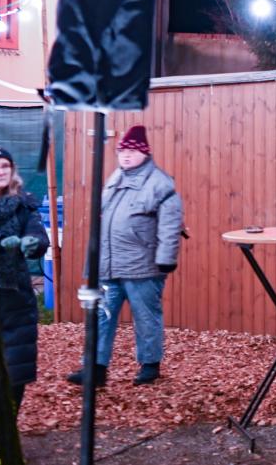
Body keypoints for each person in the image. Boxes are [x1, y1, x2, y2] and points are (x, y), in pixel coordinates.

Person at [67, 126, 183, 388]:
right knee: (101, 316)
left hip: (142, 265)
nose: (126, 156)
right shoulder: (115, 177)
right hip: (109, 264)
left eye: (131, 151)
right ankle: (95, 368)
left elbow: (170, 223)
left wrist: (166, 257)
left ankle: (150, 365)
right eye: (122, 151)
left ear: (144, 153)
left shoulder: (159, 183)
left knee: (145, 316)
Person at [0, 146, 48, 408]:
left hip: (15, 298)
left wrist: (31, 243)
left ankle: (9, 435)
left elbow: (39, 236)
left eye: (5, 166)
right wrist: (0, 243)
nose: (0, 171)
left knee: (15, 369)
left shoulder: (24, 203)